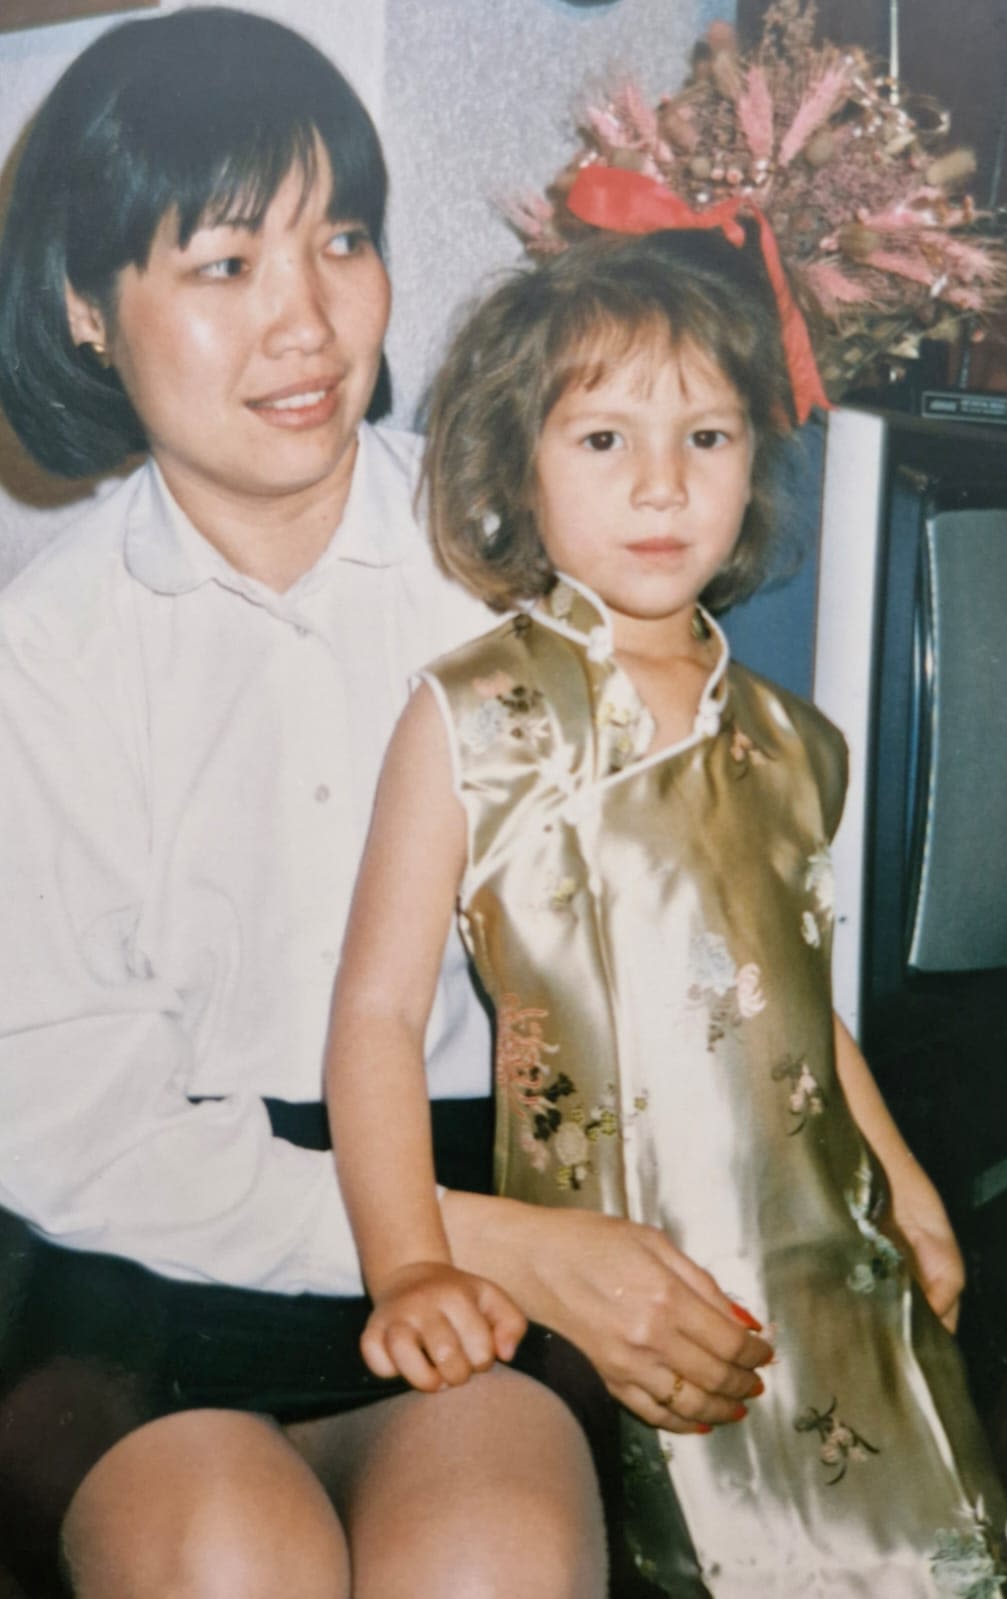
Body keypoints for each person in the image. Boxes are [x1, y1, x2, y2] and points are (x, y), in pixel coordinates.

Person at [0, 10, 773, 1598]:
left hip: (485, 1225)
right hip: (148, 1280)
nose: (305, 321)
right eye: (224, 265)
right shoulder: (42, 656)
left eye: (339, 240)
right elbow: (75, 1132)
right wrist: (495, 1243)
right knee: (230, 1557)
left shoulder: (516, 554)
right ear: (87, 307)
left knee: (485, 1558)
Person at [325, 222, 1007, 1594]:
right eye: (603, 442)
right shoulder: (475, 716)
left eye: (706, 439)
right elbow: (378, 1013)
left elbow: (801, 1013)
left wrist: (917, 1189)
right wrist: (410, 1265)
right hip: (632, 1296)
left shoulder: (796, 739)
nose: (661, 485)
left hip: (841, 1274)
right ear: (517, 471)